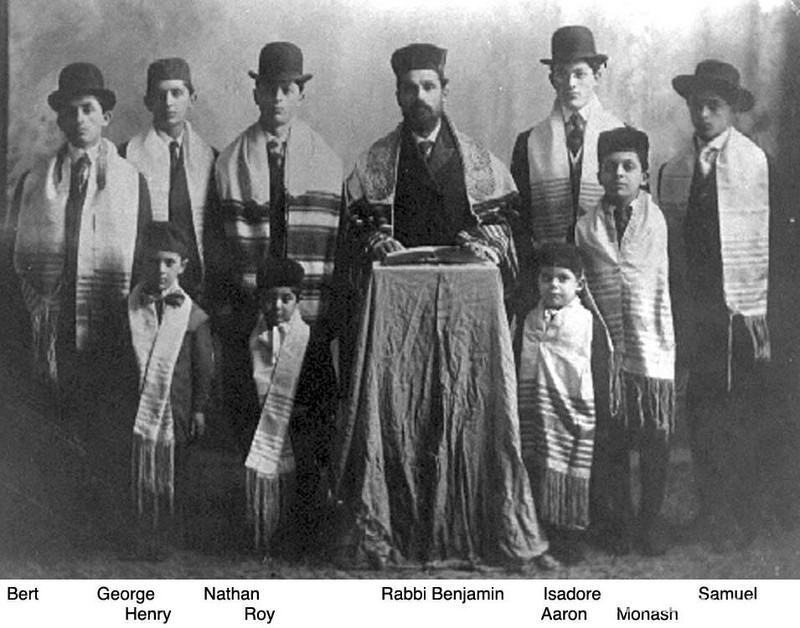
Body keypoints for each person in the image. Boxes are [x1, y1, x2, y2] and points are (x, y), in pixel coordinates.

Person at [658, 60, 770, 552]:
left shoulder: (755, 164)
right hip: (696, 306)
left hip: (741, 310)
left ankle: (737, 515)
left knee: (737, 411)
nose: (702, 115)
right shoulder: (679, 168)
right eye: (695, 106)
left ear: (731, 111)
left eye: (713, 106)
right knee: (701, 410)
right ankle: (709, 509)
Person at [213, 42, 341, 455]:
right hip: (253, 307)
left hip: (304, 307)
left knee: (307, 419)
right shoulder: (230, 162)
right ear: (256, 93)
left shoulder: (326, 159)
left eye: (287, 89)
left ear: (301, 94)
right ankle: (257, 506)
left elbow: (338, 247)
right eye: (270, 88)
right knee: (252, 411)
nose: (278, 98)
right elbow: (218, 244)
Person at [344, 43, 519, 288]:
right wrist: (377, 241)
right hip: (399, 287)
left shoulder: (480, 160)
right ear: (398, 96)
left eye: (429, 87)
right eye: (410, 89)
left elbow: (504, 221)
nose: (420, 97)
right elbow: (355, 225)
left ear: (444, 92)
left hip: (463, 287)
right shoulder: (371, 163)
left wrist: (481, 243)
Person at [576, 127, 675, 556]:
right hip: (608, 350)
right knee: (612, 437)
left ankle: (650, 522)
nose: (619, 174)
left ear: (644, 174)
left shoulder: (659, 221)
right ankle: (619, 521)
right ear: (598, 172)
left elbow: (669, 280)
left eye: (628, 166)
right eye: (611, 166)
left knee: (655, 435)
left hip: (652, 343)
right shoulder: (584, 229)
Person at [511, 26, 623, 311]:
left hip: (605, 271)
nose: (571, 83)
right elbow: (519, 220)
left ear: (597, 76)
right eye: (563, 74)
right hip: (552, 278)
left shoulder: (622, 137)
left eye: (580, 74)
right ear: (552, 79)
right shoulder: (529, 143)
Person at [120, 221, 213, 560]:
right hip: (138, 407)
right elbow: (117, 362)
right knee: (137, 470)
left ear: (183, 266)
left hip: (178, 408)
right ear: (141, 262)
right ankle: (140, 533)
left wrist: (200, 407)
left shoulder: (194, 316)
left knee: (177, 471)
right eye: (152, 261)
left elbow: (204, 368)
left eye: (169, 262)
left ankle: (169, 534)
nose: (160, 270)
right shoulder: (126, 310)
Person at [243, 258, 335, 556]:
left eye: (286, 298)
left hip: (301, 427)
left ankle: (302, 541)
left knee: (304, 482)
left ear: (298, 300)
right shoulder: (249, 342)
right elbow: (239, 389)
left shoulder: (313, 341)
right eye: (269, 299)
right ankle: (264, 533)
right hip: (262, 425)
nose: (277, 306)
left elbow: (326, 390)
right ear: (260, 300)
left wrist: (309, 418)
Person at [516, 242, 597, 564]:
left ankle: (569, 539)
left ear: (579, 283)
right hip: (535, 410)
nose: (553, 285)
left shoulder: (584, 321)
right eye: (546, 278)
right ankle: (538, 536)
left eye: (562, 278)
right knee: (537, 470)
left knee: (567, 473)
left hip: (570, 414)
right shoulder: (530, 320)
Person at [121, 58, 217, 300]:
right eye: (160, 94)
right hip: (149, 279)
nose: (168, 103)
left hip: (200, 282)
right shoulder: (125, 158)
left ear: (192, 99)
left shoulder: (213, 159)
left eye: (177, 93)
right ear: (148, 102)